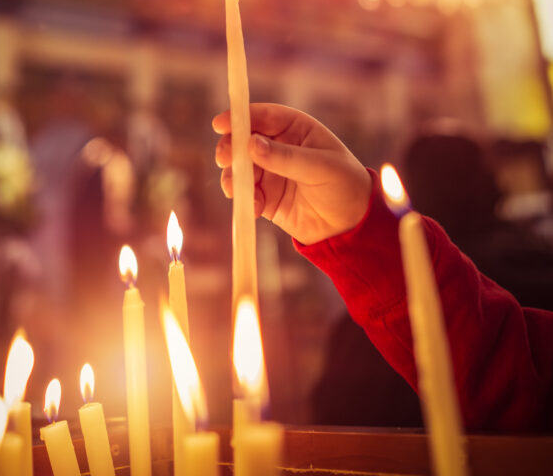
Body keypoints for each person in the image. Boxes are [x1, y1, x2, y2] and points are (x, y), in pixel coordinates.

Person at [213, 103, 553, 433]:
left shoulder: (357, 334)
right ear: (489, 186)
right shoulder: (538, 269)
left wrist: (365, 228)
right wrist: (359, 224)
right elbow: (511, 368)